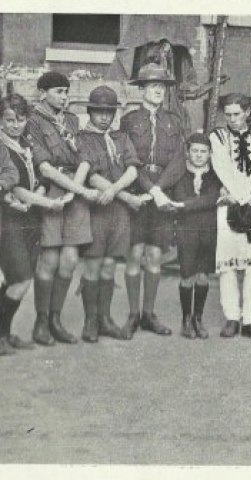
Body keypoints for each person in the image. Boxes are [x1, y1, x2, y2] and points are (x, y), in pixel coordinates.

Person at [24, 71, 100, 346]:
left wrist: (74, 190)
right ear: (42, 93)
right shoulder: (32, 122)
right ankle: (41, 322)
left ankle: (56, 319)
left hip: (72, 191)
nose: (64, 97)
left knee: (69, 260)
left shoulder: (71, 120)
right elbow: (43, 166)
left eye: (66, 92)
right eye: (58, 91)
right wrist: (76, 191)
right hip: (52, 192)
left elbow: (84, 158)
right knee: (50, 260)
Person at [119, 62, 187, 338]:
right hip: (137, 192)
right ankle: (133, 314)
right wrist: (150, 190)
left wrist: (159, 190)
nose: (158, 90)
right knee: (135, 253)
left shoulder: (174, 120)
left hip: (161, 194)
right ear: (142, 89)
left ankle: (149, 313)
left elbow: (179, 160)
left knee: (155, 254)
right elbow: (128, 160)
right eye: (153, 86)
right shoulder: (129, 120)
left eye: (162, 86)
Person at [77, 85, 142, 343]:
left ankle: (105, 318)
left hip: (118, 211)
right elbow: (90, 176)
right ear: (91, 112)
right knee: (93, 264)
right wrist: (124, 194)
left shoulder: (121, 137)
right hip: (95, 209)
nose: (104, 117)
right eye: (99, 112)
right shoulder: (82, 138)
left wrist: (116, 190)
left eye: (109, 112)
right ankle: (90, 320)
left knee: (109, 266)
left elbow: (133, 169)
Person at [210, 93, 251, 341]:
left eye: (237, 114)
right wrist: (236, 195)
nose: (233, 119)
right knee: (227, 264)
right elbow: (222, 167)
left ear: (247, 113)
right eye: (228, 115)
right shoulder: (217, 137)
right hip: (228, 204)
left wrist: (247, 196)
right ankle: (232, 317)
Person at [172, 133, 221, 339]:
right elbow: (179, 197)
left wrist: (185, 205)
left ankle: (198, 318)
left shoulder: (214, 176)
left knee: (203, 275)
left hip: (209, 230)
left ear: (210, 154)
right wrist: (184, 205)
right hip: (187, 230)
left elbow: (211, 199)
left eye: (203, 152)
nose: (199, 156)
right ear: (187, 152)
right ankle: (185, 318)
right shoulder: (180, 175)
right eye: (195, 151)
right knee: (187, 275)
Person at [0, 94, 32, 354]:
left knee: (15, 279)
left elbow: (12, 174)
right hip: (6, 218)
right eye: (9, 120)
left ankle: (5, 334)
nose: (14, 125)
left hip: (25, 218)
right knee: (18, 278)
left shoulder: (25, 145)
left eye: (20, 120)